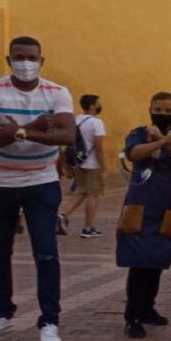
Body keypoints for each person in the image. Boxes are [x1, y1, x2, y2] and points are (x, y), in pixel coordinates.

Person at [0, 36, 75, 341]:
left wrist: (16, 130)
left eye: (31, 57)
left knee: (45, 250)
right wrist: (38, 128)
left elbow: (67, 134)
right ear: (9, 59)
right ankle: (2, 313)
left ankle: (49, 321)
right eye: (18, 57)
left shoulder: (57, 92)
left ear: (41, 61)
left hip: (41, 182)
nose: (25, 63)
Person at [117, 92, 171, 338]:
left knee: (157, 261)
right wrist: (160, 142)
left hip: (167, 207)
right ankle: (133, 315)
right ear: (150, 109)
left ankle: (148, 308)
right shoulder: (138, 133)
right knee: (139, 263)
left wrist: (166, 141)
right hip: (140, 207)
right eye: (158, 109)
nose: (162, 114)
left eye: (168, 110)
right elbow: (134, 153)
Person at [57, 94, 106, 238]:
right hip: (93, 164)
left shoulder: (75, 121)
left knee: (81, 192)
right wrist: (104, 168)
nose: (99, 105)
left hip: (79, 162)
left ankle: (63, 214)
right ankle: (88, 228)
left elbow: (66, 142)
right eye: (98, 103)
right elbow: (98, 148)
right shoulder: (97, 123)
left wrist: (66, 164)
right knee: (93, 195)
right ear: (92, 105)